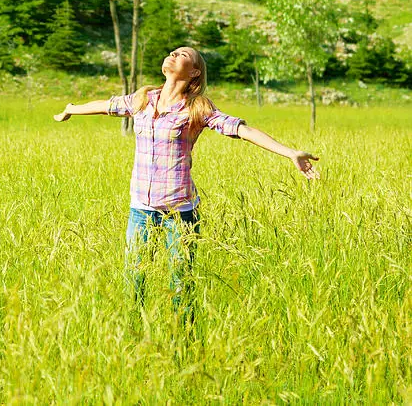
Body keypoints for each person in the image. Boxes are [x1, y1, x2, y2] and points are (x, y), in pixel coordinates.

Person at [53, 46, 319, 323]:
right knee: (134, 280)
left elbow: (241, 129)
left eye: (182, 54)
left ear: (194, 72)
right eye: (171, 52)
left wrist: (289, 152)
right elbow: (106, 106)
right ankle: (133, 338)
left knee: (180, 285)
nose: (172, 54)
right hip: (141, 209)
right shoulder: (143, 99)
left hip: (179, 214)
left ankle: (184, 340)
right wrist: (72, 109)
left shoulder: (197, 108)